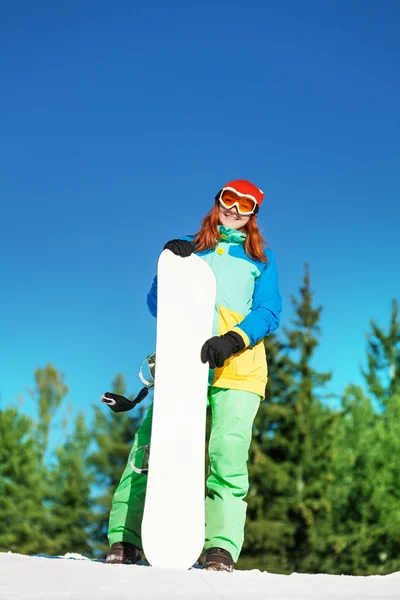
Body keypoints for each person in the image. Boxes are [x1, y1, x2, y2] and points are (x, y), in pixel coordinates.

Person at [106, 179, 282, 571]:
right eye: (229, 199)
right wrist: (167, 264)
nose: (235, 209)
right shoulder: (191, 247)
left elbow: (270, 311)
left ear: (254, 214)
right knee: (152, 448)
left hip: (238, 369)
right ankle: (125, 537)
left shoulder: (261, 259)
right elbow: (158, 305)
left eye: (246, 204)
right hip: (184, 365)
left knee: (228, 454)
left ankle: (220, 546)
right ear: (217, 201)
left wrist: (233, 340)